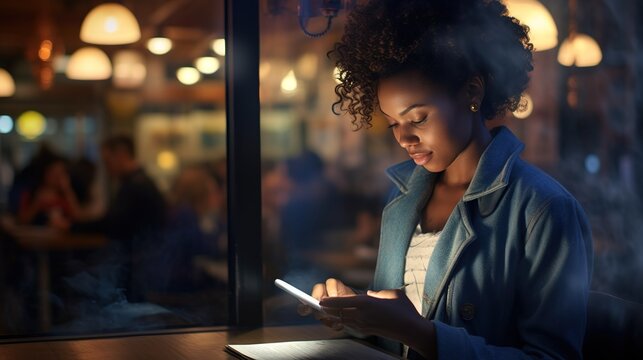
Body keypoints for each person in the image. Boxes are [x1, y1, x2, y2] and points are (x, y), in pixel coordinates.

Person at [299, 1, 593, 359]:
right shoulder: (402, 199)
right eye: (393, 123)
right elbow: (399, 339)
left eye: (418, 118)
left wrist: (420, 333)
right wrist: (359, 314)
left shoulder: (544, 208)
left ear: (472, 92)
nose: (404, 138)